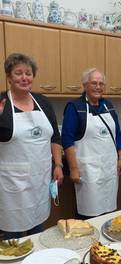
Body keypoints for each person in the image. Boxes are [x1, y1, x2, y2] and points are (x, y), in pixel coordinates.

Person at [0, 53, 63, 240]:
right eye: (18, 73)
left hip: (40, 180)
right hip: (12, 184)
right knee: (14, 238)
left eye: (28, 73)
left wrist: (58, 165)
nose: (24, 77)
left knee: (38, 232)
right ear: (9, 77)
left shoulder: (43, 102)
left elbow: (55, 137)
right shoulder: (2, 103)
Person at [61, 68, 121, 218]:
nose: (98, 87)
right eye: (94, 83)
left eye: (101, 83)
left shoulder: (108, 106)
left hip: (109, 168)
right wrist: (73, 168)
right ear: (85, 85)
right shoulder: (75, 107)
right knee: (88, 215)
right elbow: (67, 140)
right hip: (88, 170)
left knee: (108, 213)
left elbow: (117, 135)